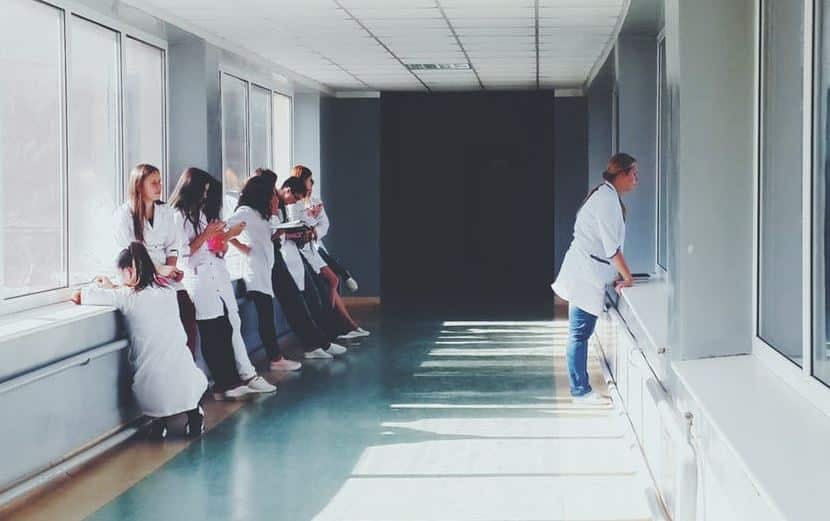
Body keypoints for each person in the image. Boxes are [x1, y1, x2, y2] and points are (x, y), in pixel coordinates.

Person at [72, 243, 207, 440]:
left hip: (150, 391)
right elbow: (143, 290)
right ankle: (195, 417)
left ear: (128, 271)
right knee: (184, 376)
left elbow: (78, 296)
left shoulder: (126, 298)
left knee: (155, 386)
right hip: (187, 380)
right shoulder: (168, 291)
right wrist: (117, 286)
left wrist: (106, 287)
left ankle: (158, 423)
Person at [170, 167, 276, 399]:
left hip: (214, 275)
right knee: (210, 332)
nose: (206, 197)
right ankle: (223, 383)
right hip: (198, 280)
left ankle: (232, 379)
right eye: (203, 191)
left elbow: (209, 249)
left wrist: (220, 243)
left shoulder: (197, 215)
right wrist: (208, 235)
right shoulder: (177, 217)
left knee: (224, 327)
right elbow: (183, 256)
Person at [552, 153, 638, 402]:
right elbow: (612, 249)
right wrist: (628, 278)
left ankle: (580, 388)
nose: (636, 179)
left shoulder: (606, 195)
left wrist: (619, 275)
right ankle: (580, 390)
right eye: (633, 173)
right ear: (621, 174)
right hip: (584, 274)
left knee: (579, 332)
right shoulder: (607, 200)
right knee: (579, 333)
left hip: (587, 270)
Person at [250, 169, 348, 360]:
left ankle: (318, 343)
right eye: (293, 198)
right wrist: (283, 234)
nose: (289, 202)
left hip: (279, 256)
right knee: (292, 303)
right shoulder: (252, 209)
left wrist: (289, 233)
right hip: (269, 260)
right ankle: (311, 346)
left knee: (299, 302)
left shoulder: (275, 205)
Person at [113, 164, 198, 356]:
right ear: (139, 185)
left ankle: (187, 369)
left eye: (160, 182)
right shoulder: (123, 215)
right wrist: (159, 270)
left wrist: (171, 269)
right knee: (160, 325)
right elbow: (129, 255)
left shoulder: (165, 211)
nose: (159, 186)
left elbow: (173, 245)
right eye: (153, 183)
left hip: (165, 275)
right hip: (140, 278)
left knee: (187, 310)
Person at [227, 175, 302, 371]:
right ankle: (275, 359)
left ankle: (276, 357)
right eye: (272, 195)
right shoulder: (245, 212)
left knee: (267, 314)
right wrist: (242, 247)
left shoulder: (262, 215)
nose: (276, 199)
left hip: (265, 269)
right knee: (266, 316)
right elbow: (224, 229)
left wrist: (278, 233)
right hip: (254, 271)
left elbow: (266, 235)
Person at [290, 165, 369, 340]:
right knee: (331, 280)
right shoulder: (295, 202)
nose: (312, 184)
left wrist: (315, 221)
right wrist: (313, 218)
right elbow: (302, 224)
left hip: (315, 245)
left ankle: (346, 325)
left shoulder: (314, 200)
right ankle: (337, 326)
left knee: (333, 280)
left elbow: (324, 224)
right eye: (310, 180)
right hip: (305, 249)